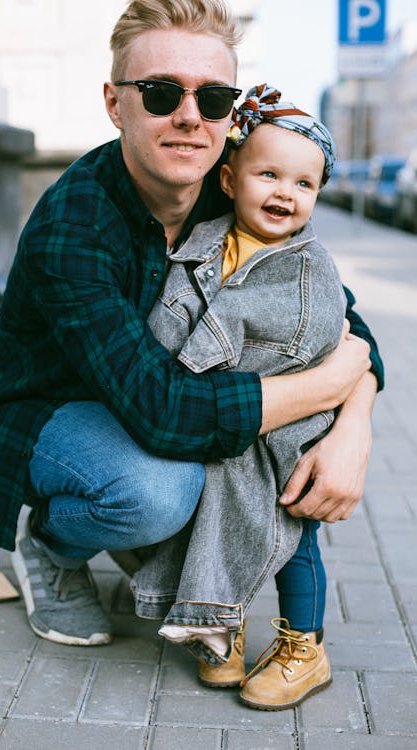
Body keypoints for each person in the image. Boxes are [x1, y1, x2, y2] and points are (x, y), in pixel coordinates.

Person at [0, 0, 381, 663]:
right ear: (114, 103)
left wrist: (354, 427)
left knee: (199, 465)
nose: (189, 115)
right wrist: (326, 384)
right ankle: (46, 542)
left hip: (138, 408)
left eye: (213, 98)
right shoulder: (74, 222)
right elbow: (164, 415)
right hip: (42, 417)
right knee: (160, 492)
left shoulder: (233, 188)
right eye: (160, 93)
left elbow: (337, 312)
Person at [134, 83, 351, 710]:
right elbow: (167, 317)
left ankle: (304, 647)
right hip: (221, 418)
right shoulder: (202, 242)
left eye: (304, 184)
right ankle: (219, 624)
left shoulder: (311, 267)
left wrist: (202, 369)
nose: (285, 192)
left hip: (288, 427)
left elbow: (313, 338)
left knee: (294, 536)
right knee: (209, 521)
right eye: (269, 175)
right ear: (229, 181)